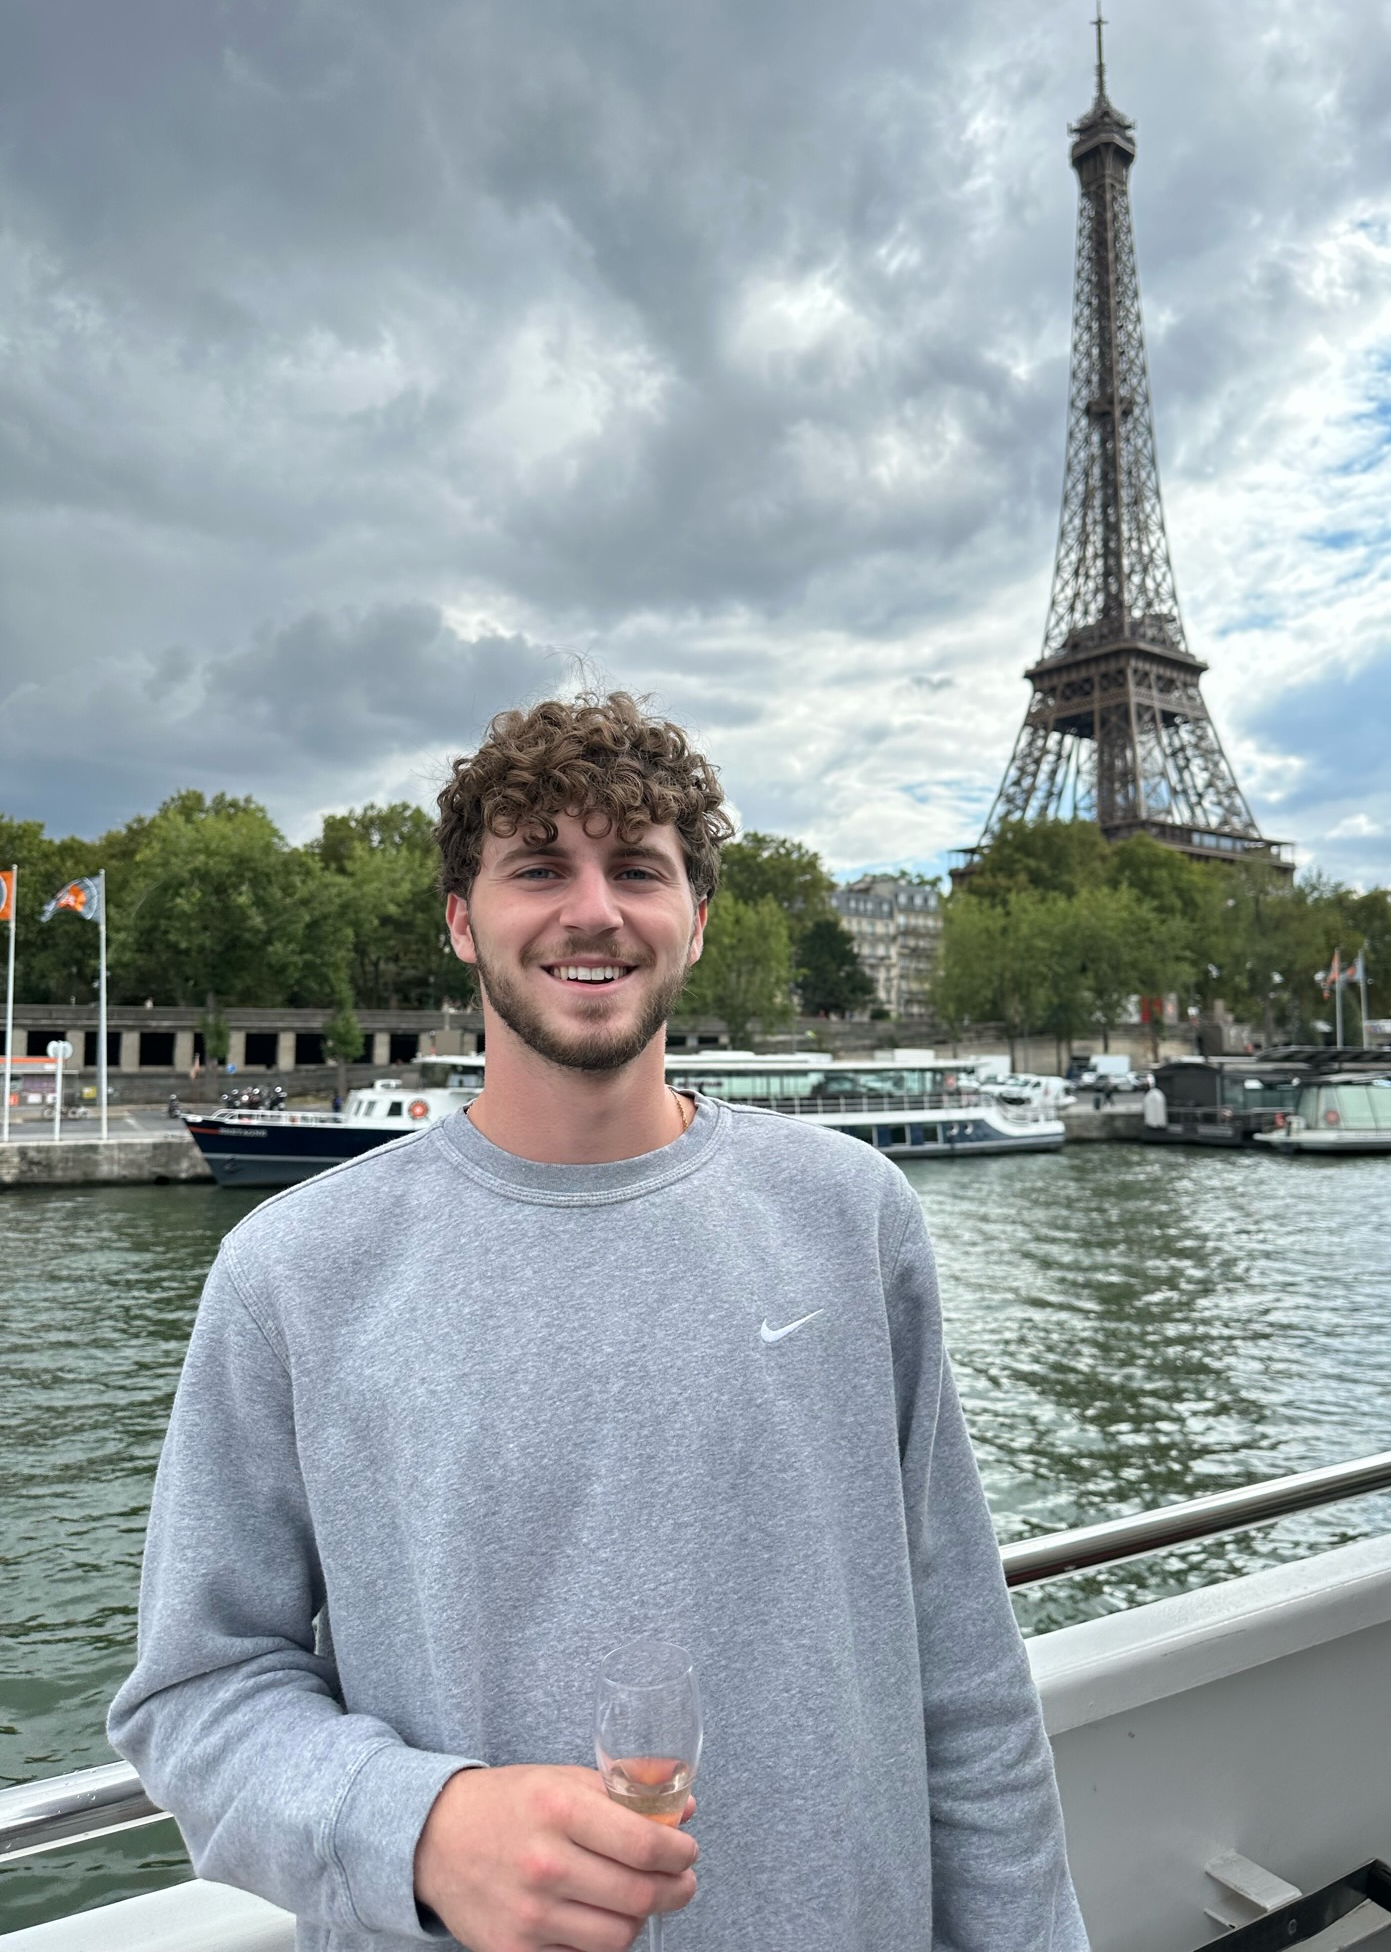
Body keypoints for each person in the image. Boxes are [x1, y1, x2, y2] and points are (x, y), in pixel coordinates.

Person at [109, 692, 1087, 1952]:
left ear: (696, 917)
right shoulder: (287, 1274)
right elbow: (196, 1694)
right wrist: (422, 1827)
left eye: (636, 866)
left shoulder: (856, 1216)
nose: (592, 909)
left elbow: (962, 1670)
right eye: (538, 867)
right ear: (462, 921)